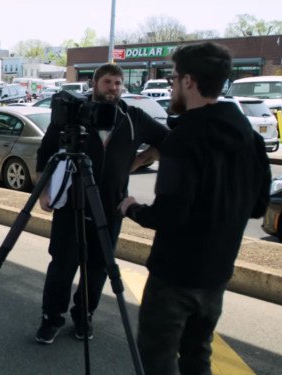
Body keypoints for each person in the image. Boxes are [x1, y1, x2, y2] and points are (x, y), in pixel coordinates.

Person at [118, 42, 270, 375]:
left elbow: (167, 214)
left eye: (173, 79)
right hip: (217, 273)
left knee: (158, 356)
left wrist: (130, 207)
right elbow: (258, 206)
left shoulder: (183, 139)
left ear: (189, 81)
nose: (171, 86)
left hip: (175, 275)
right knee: (198, 353)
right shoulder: (249, 136)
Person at [34, 63, 170, 345]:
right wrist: (44, 191)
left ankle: (84, 316)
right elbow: (45, 152)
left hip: (111, 207)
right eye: (108, 82)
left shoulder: (133, 117)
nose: (114, 88)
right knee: (62, 264)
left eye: (119, 83)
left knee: (97, 268)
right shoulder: (75, 115)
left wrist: (141, 160)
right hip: (71, 205)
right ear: (95, 84)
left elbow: (166, 140)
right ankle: (51, 318)